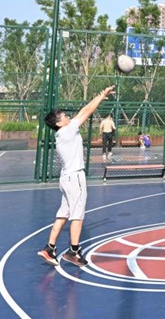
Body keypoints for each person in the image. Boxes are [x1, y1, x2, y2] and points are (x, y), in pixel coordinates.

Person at [37, 85, 115, 267]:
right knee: (77, 215)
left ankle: (49, 249)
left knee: (63, 214)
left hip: (66, 179)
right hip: (75, 179)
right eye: (64, 116)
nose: (67, 117)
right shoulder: (67, 130)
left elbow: (81, 112)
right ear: (58, 123)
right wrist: (101, 95)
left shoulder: (61, 134)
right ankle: (74, 251)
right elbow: (86, 111)